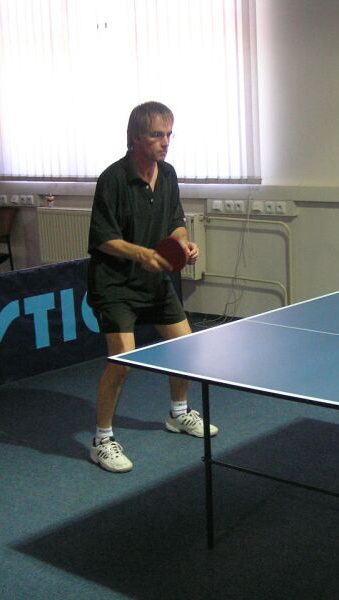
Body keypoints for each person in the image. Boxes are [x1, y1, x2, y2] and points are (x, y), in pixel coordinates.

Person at [86, 101, 218, 473]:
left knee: (186, 346)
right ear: (135, 138)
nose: (165, 142)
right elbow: (103, 239)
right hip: (115, 284)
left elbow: (176, 222)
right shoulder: (112, 179)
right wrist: (143, 254)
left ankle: (178, 413)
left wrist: (184, 244)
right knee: (123, 362)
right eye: (157, 135)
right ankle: (102, 441)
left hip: (154, 281)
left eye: (169, 134)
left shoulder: (168, 174)